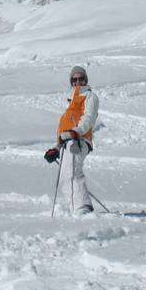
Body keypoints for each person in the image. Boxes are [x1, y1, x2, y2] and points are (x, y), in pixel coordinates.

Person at [46, 66, 99, 215]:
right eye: (74, 79)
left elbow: (89, 117)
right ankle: (76, 207)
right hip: (67, 142)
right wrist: (56, 148)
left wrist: (76, 132)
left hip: (78, 139)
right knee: (65, 176)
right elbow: (64, 128)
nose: (78, 82)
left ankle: (82, 209)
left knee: (72, 173)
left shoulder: (89, 96)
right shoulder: (71, 104)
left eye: (81, 78)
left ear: (85, 80)